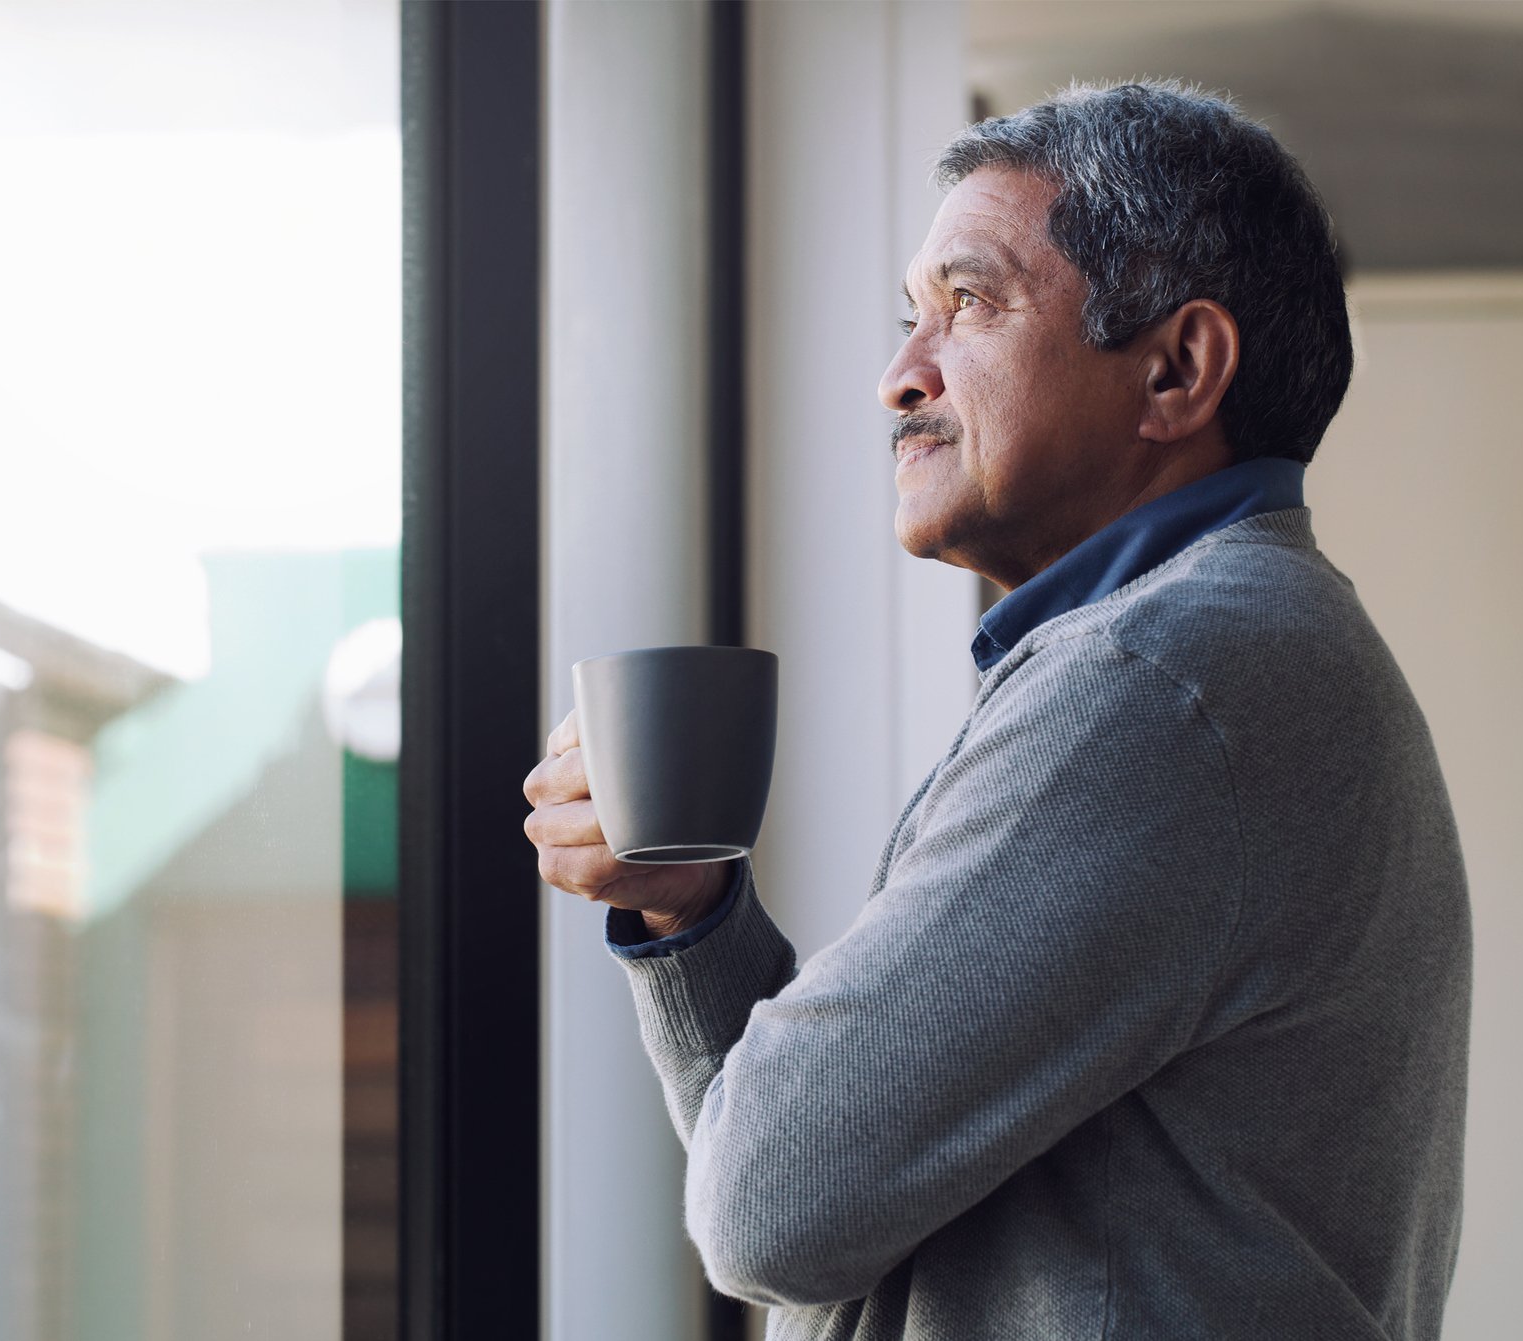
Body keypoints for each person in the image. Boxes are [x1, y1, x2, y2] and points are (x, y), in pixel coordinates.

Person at [524, 80, 1470, 1340]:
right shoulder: (1224, 651)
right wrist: (687, 910)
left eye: (967, 304)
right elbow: (825, 1202)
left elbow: (768, 1211)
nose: (896, 379)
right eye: (909, 317)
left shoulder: (1162, 682)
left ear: (1177, 369)